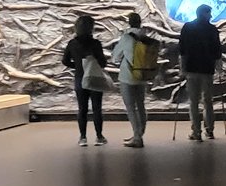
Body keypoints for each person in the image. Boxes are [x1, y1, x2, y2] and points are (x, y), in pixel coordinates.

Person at [110, 12, 157, 148]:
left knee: (131, 107)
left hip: (127, 76)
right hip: (142, 75)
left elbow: (115, 57)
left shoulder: (126, 37)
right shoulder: (145, 37)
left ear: (129, 22)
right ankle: (140, 133)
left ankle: (137, 137)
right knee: (141, 105)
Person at [61, 14, 109, 146]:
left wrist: (77, 66)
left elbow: (65, 61)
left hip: (80, 78)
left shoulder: (72, 44)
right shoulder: (95, 44)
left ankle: (83, 137)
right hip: (94, 78)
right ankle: (99, 136)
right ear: (91, 28)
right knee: (97, 108)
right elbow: (103, 62)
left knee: (82, 109)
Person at [177, 4, 221, 142]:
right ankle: (210, 130)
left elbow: (182, 50)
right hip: (207, 69)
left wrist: (182, 68)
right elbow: (217, 51)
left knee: (194, 101)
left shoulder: (187, 27)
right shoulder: (213, 30)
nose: (211, 16)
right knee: (208, 101)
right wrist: (218, 67)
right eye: (209, 13)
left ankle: (196, 132)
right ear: (204, 14)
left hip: (191, 69)